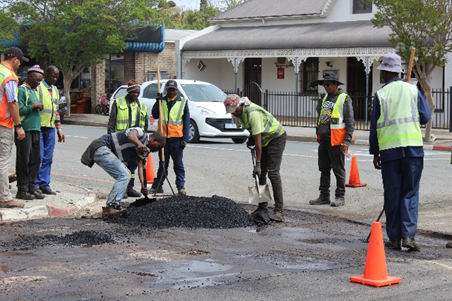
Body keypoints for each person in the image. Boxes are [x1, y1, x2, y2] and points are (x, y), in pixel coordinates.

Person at [370, 53, 431, 251]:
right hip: (413, 150)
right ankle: (409, 237)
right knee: (410, 193)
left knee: (393, 194)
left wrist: (375, 152)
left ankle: (395, 238)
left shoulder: (381, 95)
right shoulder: (413, 90)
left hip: (389, 152)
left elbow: (374, 127)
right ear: (400, 71)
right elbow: (425, 116)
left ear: (387, 72)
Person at [224, 94, 287, 222]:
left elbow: (258, 141)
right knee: (259, 175)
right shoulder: (240, 113)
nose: (234, 113)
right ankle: (262, 207)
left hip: (276, 138)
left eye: (235, 110)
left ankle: (279, 210)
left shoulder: (253, 114)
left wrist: (258, 164)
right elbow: (254, 133)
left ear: (240, 105)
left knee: (273, 173)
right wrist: (250, 138)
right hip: (264, 140)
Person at [81, 127, 165, 220]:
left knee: (125, 175)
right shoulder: (141, 133)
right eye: (158, 147)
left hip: (105, 151)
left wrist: (143, 186)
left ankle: (115, 205)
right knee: (124, 175)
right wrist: (139, 144)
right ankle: (111, 206)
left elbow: (141, 167)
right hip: (101, 147)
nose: (157, 150)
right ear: (154, 139)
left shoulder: (144, 151)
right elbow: (130, 135)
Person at [309, 73, 355, 207]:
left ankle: (340, 196)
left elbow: (350, 122)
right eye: (324, 84)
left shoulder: (343, 99)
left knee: (338, 170)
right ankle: (324, 196)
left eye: (328, 84)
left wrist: (346, 141)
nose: (325, 87)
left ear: (335, 85)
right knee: (324, 169)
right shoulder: (324, 99)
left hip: (336, 142)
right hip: (324, 141)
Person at [108, 79, 148, 198]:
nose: (135, 95)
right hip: (121, 141)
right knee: (122, 167)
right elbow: (111, 122)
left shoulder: (142, 106)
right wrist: (111, 140)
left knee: (132, 166)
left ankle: (130, 188)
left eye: (137, 92)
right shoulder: (119, 102)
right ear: (128, 92)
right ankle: (122, 190)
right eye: (133, 92)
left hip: (136, 142)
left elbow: (145, 125)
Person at [150, 80, 190, 196]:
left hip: (176, 138)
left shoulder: (182, 102)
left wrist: (185, 139)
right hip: (162, 139)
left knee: (178, 164)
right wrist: (157, 101)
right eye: (169, 89)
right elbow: (155, 114)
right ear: (166, 90)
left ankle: (180, 186)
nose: (171, 91)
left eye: (173, 89)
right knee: (163, 164)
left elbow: (186, 121)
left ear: (176, 90)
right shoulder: (161, 101)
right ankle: (158, 186)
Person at [0, 47, 28, 208]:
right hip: (3, 123)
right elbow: (12, 102)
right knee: (3, 161)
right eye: (19, 62)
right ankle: (4, 197)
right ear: (15, 60)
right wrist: (18, 125)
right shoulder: (9, 76)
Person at [15, 65, 45, 200]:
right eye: (37, 80)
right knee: (24, 160)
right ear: (30, 77)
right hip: (25, 129)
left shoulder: (34, 90)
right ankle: (22, 189)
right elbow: (18, 109)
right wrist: (33, 106)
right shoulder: (22, 90)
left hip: (35, 130)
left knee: (35, 160)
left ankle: (31, 187)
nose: (39, 83)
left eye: (40, 80)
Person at [35, 65, 65, 195]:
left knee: (48, 158)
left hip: (51, 127)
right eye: (52, 76)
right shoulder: (38, 86)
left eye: (56, 77)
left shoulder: (55, 90)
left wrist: (59, 128)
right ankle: (35, 184)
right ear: (46, 74)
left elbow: (56, 110)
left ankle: (44, 184)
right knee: (38, 157)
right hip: (39, 126)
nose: (54, 79)